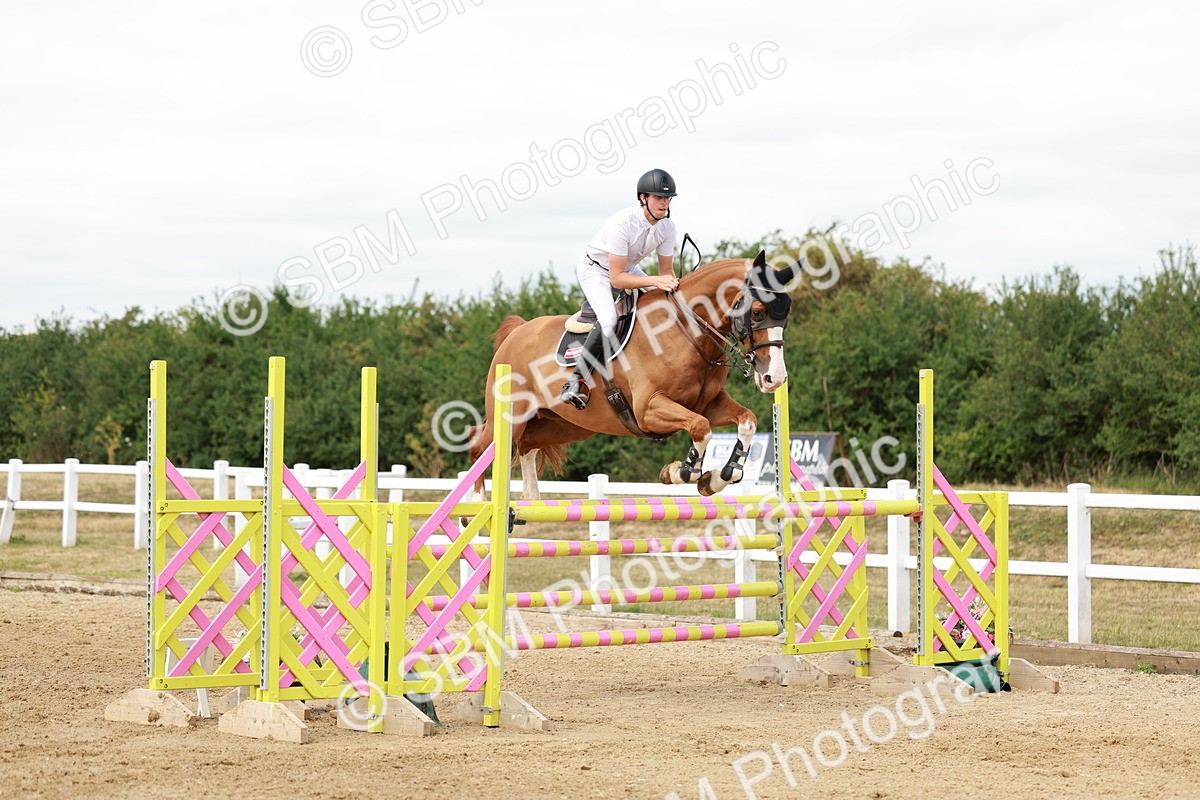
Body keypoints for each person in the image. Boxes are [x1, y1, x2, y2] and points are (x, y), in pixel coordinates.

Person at [559, 168, 682, 410]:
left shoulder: (667, 227)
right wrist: (655, 281)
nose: (664, 203)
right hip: (596, 270)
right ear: (643, 198)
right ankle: (575, 381)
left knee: (664, 302)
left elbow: (666, 273)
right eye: (658, 197)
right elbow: (617, 279)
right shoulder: (622, 223)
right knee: (608, 320)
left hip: (629, 269)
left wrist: (672, 286)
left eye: (667, 198)